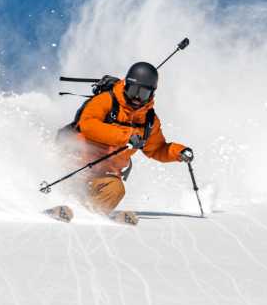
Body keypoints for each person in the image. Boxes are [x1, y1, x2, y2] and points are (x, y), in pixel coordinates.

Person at [61, 60, 194, 213]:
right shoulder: (106, 100)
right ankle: (49, 201)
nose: (136, 98)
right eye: (133, 91)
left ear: (152, 94)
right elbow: (88, 125)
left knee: (116, 190)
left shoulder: (149, 121)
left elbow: (157, 149)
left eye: (143, 93)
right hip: (74, 162)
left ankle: (86, 214)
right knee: (64, 176)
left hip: (102, 175)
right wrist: (126, 136)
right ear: (125, 86)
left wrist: (179, 152)